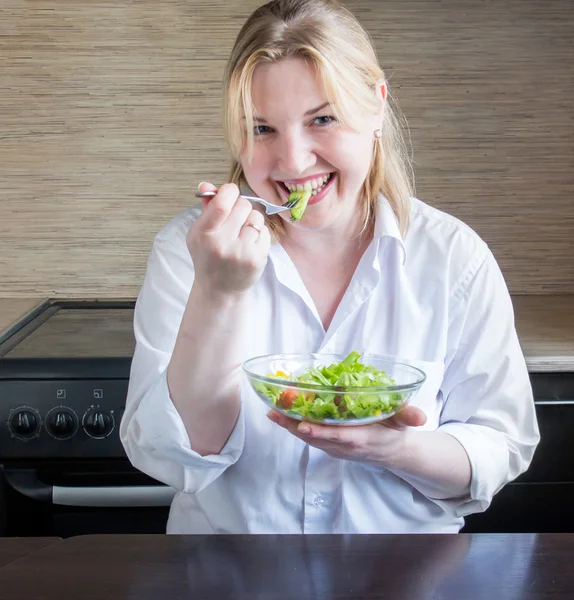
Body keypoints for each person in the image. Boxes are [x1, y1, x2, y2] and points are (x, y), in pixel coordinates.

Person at [120, 0, 539, 534]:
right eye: (262, 128)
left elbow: (501, 446)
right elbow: (177, 457)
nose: (293, 162)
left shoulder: (454, 257)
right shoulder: (188, 249)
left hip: (404, 578)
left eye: (322, 119)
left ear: (377, 109)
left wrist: (395, 449)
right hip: (230, 577)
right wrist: (217, 294)